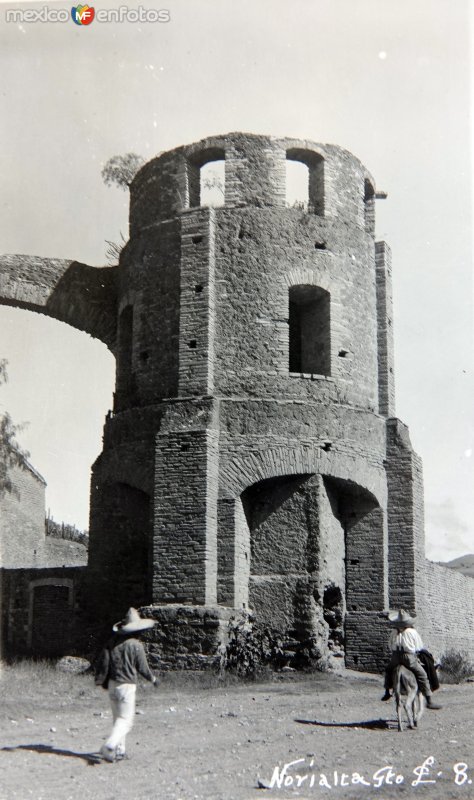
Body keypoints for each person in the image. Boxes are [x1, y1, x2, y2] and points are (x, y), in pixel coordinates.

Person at [94, 607, 159, 762]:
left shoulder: (112, 643)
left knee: (117, 719)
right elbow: (143, 668)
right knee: (126, 721)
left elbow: (104, 663)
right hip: (127, 685)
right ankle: (109, 745)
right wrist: (153, 679)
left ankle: (120, 751)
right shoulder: (136, 646)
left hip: (112, 684)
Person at [381, 609, 442, 709]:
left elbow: (390, 645)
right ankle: (429, 700)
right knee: (422, 674)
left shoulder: (394, 631)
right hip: (408, 657)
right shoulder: (412, 632)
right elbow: (419, 647)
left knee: (388, 670)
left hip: (395, 657)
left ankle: (387, 691)